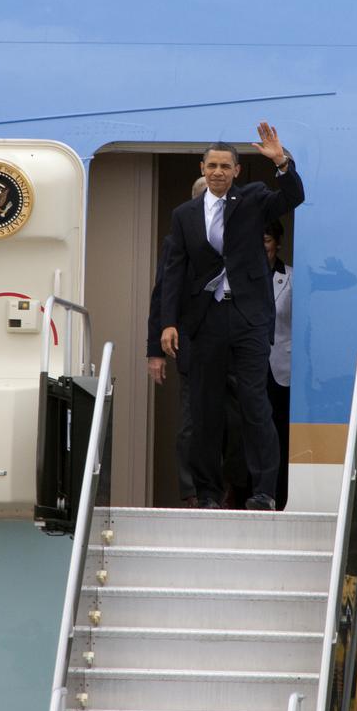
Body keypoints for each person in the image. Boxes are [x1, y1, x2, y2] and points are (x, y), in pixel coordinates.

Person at [160, 123, 305, 510]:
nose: (219, 172)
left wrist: (281, 162)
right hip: (204, 322)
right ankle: (208, 493)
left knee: (255, 405)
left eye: (226, 166)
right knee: (206, 411)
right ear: (203, 169)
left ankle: (264, 492)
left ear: (237, 171)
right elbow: (173, 272)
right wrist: (168, 322)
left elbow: (293, 196)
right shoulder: (184, 215)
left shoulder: (255, 199)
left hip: (249, 319)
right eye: (212, 166)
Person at [147, 177, 207, 507]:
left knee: (235, 420)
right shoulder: (175, 242)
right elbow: (162, 297)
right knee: (190, 422)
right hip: (189, 343)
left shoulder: (237, 236)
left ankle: (228, 489)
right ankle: (192, 493)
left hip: (231, 343)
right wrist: (154, 351)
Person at [264, 219, 292, 511]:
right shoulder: (241, 276)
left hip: (281, 369)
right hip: (248, 367)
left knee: (279, 434)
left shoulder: (292, 278)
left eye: (267, 240)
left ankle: (279, 495)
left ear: (278, 244)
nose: (263, 247)